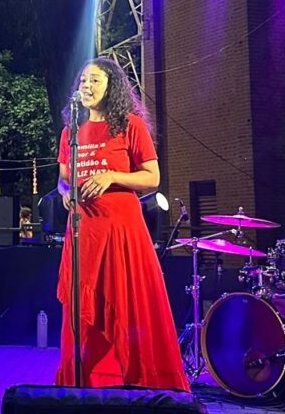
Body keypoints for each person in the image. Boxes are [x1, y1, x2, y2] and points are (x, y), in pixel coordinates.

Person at [55, 57, 189, 391]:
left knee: (127, 304)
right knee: (82, 308)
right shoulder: (71, 133)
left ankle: (141, 382)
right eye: (83, 80)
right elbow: (63, 178)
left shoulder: (130, 125)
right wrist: (66, 192)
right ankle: (82, 384)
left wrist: (112, 176)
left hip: (120, 230)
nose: (87, 86)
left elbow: (152, 177)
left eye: (95, 80)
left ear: (112, 87)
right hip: (84, 231)